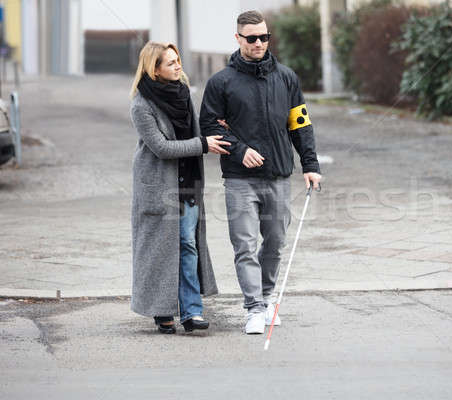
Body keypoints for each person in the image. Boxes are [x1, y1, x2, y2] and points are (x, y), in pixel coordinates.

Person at [200, 10, 322, 334]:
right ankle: (253, 308)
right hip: (240, 181)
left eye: (263, 37)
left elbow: (301, 124)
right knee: (244, 244)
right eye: (251, 38)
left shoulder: (287, 78)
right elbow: (209, 125)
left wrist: (310, 165)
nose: (258, 43)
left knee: (275, 242)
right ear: (238, 38)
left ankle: (268, 299)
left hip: (280, 176)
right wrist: (240, 151)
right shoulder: (221, 82)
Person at [129, 41, 230, 334]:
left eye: (178, 60)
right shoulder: (141, 104)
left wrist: (217, 130)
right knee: (160, 251)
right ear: (155, 69)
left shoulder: (183, 93)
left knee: (188, 246)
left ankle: (192, 311)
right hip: (159, 186)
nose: (178, 66)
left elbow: (195, 130)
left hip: (187, 185)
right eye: (171, 63)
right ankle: (162, 310)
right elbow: (161, 147)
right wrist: (202, 145)